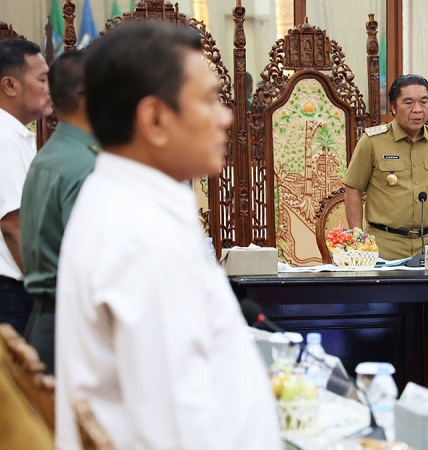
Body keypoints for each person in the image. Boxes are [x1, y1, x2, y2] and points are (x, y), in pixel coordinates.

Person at [55, 22, 283, 449]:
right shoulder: (141, 234)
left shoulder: (137, 201)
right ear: (155, 119)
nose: (227, 116)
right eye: (210, 99)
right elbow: (177, 422)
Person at [20, 50, 98, 374]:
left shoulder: (50, 155)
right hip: (75, 327)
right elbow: (94, 265)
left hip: (45, 320)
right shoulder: (88, 165)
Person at [342, 74, 428, 260]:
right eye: (408, 103)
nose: (417, 110)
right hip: (385, 246)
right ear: (393, 107)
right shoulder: (373, 141)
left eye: (424, 102)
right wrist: (358, 241)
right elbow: (353, 189)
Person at [0, 39, 51, 335]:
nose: (49, 88)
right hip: (11, 291)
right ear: (10, 85)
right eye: (42, 79)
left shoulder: (15, 135)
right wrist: (44, 294)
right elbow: (13, 225)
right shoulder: (5, 138)